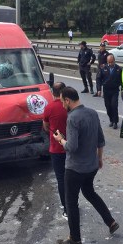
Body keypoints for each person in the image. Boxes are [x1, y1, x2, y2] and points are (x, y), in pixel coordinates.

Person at [53, 87, 119, 244]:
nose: (62, 105)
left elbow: (72, 147)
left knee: (71, 202)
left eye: (63, 102)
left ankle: (75, 239)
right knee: (89, 192)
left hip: (75, 168)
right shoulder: (92, 113)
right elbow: (100, 140)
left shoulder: (72, 118)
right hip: (91, 165)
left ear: (68, 101)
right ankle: (110, 221)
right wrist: (99, 159)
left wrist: (60, 139)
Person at [42, 82, 68, 219]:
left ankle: (67, 208)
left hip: (56, 149)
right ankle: (72, 204)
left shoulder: (49, 107)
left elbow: (45, 126)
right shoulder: (69, 107)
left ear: (53, 92)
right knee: (71, 179)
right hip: (71, 148)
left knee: (61, 180)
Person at [96, 54, 122, 129]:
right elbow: (98, 79)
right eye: (109, 62)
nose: (110, 64)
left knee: (114, 106)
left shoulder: (118, 69)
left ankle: (115, 121)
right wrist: (99, 89)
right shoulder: (103, 68)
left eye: (112, 62)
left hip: (115, 90)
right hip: (106, 91)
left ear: (114, 60)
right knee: (108, 107)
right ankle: (111, 119)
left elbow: (122, 80)